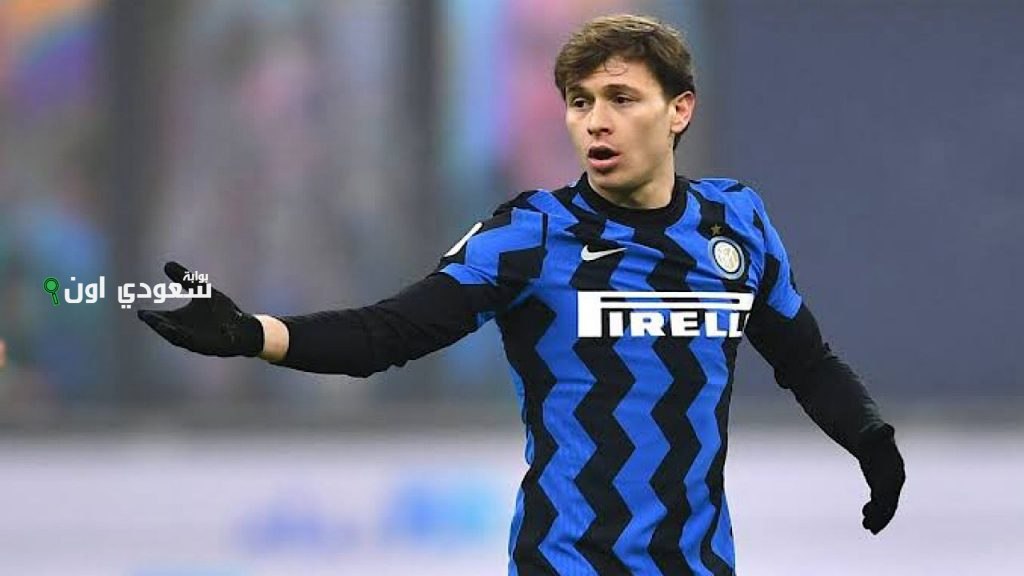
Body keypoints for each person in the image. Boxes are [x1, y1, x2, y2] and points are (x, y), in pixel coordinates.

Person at [139, 14, 905, 576]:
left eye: (621, 98)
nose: (595, 122)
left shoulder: (735, 222)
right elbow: (390, 333)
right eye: (580, 101)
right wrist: (255, 334)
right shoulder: (532, 235)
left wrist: (871, 440)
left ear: (680, 109)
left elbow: (807, 362)